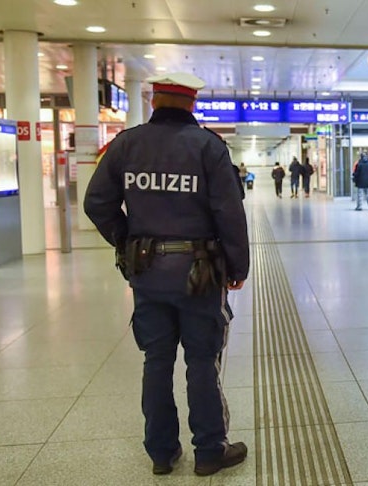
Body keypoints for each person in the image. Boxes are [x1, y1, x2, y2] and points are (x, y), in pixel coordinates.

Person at [83, 72, 250, 476]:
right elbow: (229, 212)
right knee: (201, 359)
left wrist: (127, 242)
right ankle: (210, 449)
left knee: (156, 360)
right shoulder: (209, 148)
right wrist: (237, 265)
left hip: (147, 272)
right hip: (201, 274)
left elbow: (96, 202)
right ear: (192, 103)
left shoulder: (126, 145)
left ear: (154, 100)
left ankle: (161, 452)